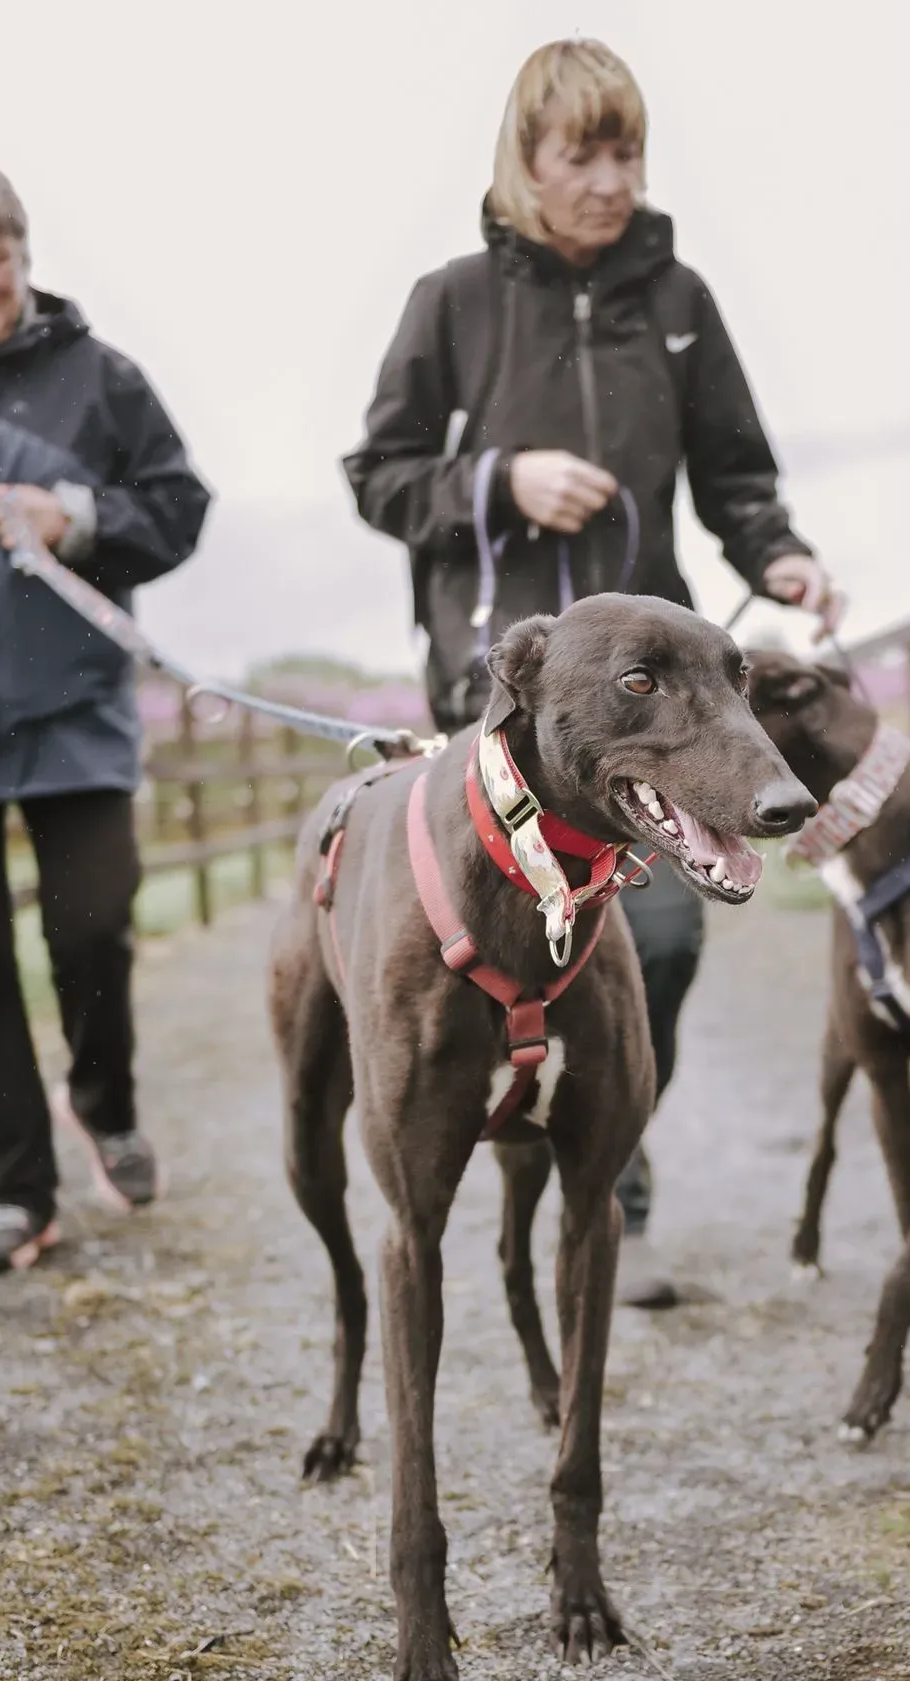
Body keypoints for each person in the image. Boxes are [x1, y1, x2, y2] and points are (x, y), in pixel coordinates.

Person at [343, 38, 839, 1305]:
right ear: (527, 160)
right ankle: (474, 1142)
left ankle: (600, 1160)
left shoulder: (679, 306)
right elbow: (379, 475)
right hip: (499, 702)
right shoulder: (451, 300)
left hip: (653, 709)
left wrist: (779, 557)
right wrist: (494, 480)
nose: (609, 180)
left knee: (656, 933)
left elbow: (738, 475)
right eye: (582, 154)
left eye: (626, 153)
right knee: (477, 948)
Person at [0, 159, 210, 1274]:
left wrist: (79, 515)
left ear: (24, 257)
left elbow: (179, 506)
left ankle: (103, 1102)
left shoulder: (102, 379)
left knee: (93, 920)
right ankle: (14, 1190)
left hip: (75, 706)